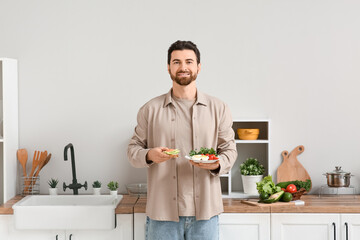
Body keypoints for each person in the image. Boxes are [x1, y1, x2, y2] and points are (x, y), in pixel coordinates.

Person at [127, 40, 237, 240]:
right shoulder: (150, 109)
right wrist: (150, 155)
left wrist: (215, 164)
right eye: (176, 62)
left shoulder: (218, 108)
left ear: (198, 67)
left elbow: (230, 150)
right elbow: (132, 151)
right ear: (168, 67)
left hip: (206, 213)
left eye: (189, 61)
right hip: (162, 214)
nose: (183, 67)